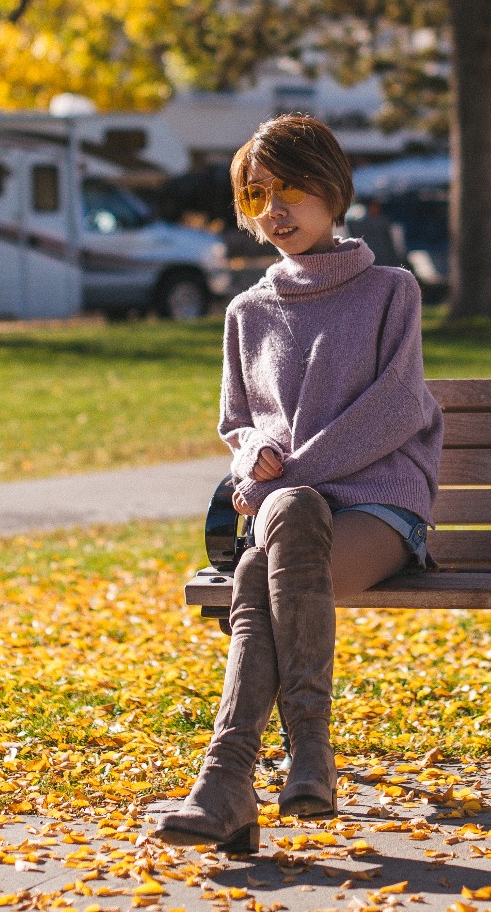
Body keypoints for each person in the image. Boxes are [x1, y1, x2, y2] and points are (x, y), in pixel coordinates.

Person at [149, 114, 443, 855]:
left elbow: (396, 407)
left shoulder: (389, 290)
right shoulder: (248, 310)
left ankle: (231, 780)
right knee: (283, 533)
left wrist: (288, 474)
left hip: (378, 507)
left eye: (290, 191)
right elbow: (239, 423)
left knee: (267, 556)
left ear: (331, 190)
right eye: (255, 196)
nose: (274, 211)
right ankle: (296, 758)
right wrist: (256, 459)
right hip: (290, 512)